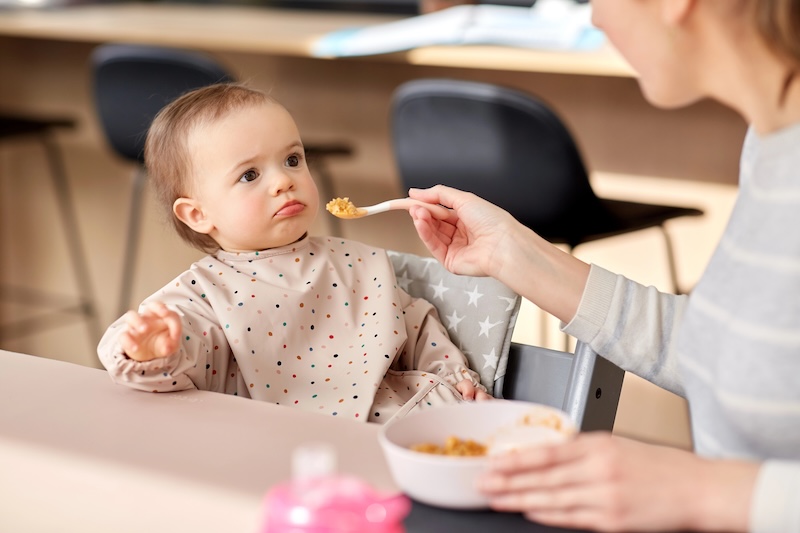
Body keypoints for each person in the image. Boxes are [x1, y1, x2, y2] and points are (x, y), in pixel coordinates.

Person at [406, 0, 800, 531]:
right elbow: (739, 356)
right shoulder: (772, 142)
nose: (595, 19)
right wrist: (510, 251)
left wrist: (705, 492)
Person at [97, 83, 490, 425]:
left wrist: (456, 380)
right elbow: (171, 357)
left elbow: (418, 330)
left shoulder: (358, 262)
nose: (285, 181)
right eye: (250, 175)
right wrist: (148, 353)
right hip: (280, 448)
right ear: (198, 214)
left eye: (292, 160)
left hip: (400, 424)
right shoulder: (203, 298)